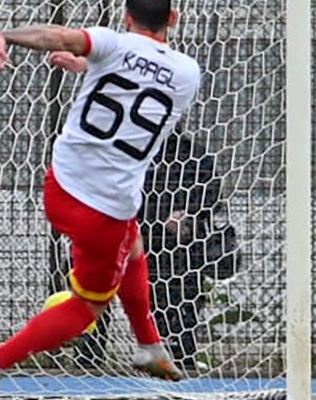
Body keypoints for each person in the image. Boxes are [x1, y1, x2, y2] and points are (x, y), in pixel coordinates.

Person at [0, 0, 201, 400]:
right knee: (87, 306)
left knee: (133, 245)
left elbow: (56, 36)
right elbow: (143, 85)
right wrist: (92, 67)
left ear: (126, 17)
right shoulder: (188, 73)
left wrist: (4, 35)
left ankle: (149, 345)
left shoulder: (111, 44)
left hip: (62, 183)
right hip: (105, 206)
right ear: (173, 18)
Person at [75, 126, 228, 372]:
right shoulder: (120, 152)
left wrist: (189, 214)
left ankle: (181, 360)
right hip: (126, 237)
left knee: (176, 301)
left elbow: (212, 195)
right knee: (94, 288)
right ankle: (88, 361)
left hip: (174, 248)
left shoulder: (194, 156)